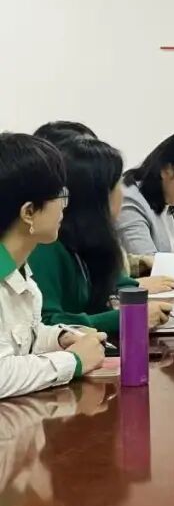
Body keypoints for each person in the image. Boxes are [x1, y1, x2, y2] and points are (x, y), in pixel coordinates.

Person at [29, 137, 174, 335]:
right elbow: (47, 323)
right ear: (97, 196)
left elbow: (109, 279)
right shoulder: (46, 245)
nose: (123, 193)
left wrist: (130, 290)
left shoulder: (88, 239)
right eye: (117, 184)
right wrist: (127, 317)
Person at [0, 133, 106, 399]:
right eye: (60, 195)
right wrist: (73, 361)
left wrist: (59, 338)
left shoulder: (18, 268)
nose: (64, 207)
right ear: (28, 212)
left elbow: (21, 338)